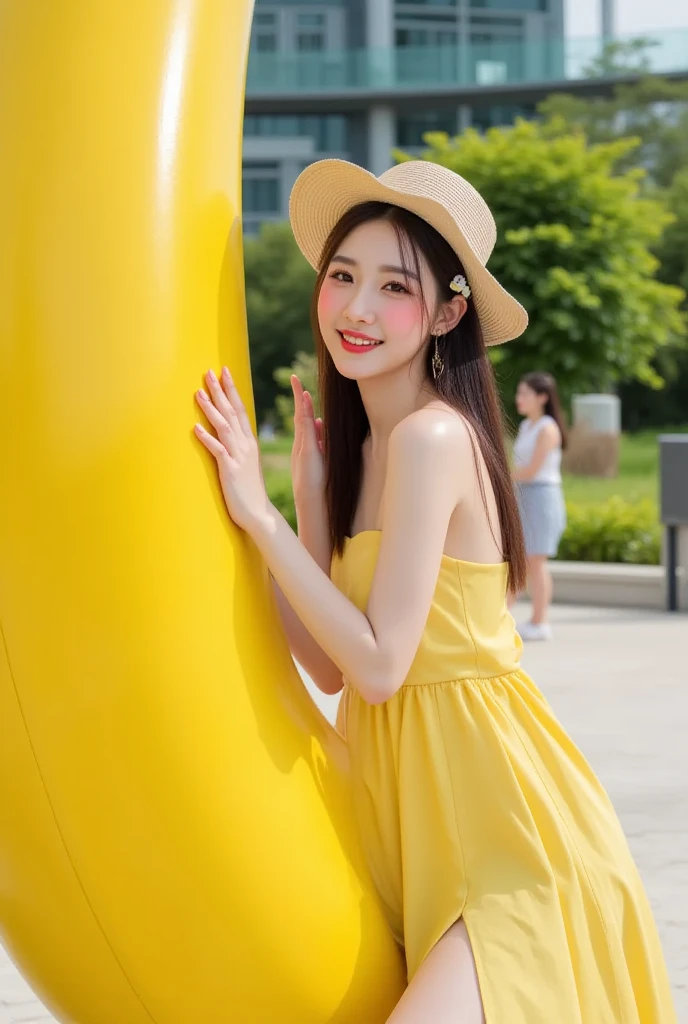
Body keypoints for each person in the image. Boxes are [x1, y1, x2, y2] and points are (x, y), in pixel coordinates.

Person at [193, 159, 675, 1023]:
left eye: (394, 286)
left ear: (450, 313)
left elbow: (378, 668)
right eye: (342, 277)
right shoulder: (370, 451)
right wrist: (303, 507)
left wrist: (260, 519)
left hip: (505, 842)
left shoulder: (432, 439)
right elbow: (328, 665)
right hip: (416, 829)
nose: (358, 309)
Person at [511, 371, 567, 641]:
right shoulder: (526, 427)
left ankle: (540, 621)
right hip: (525, 497)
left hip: (542, 497)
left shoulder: (547, 428)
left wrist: (498, 474)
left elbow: (531, 470)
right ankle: (506, 616)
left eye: (525, 394)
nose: (518, 399)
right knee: (523, 560)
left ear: (542, 398)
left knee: (536, 561)